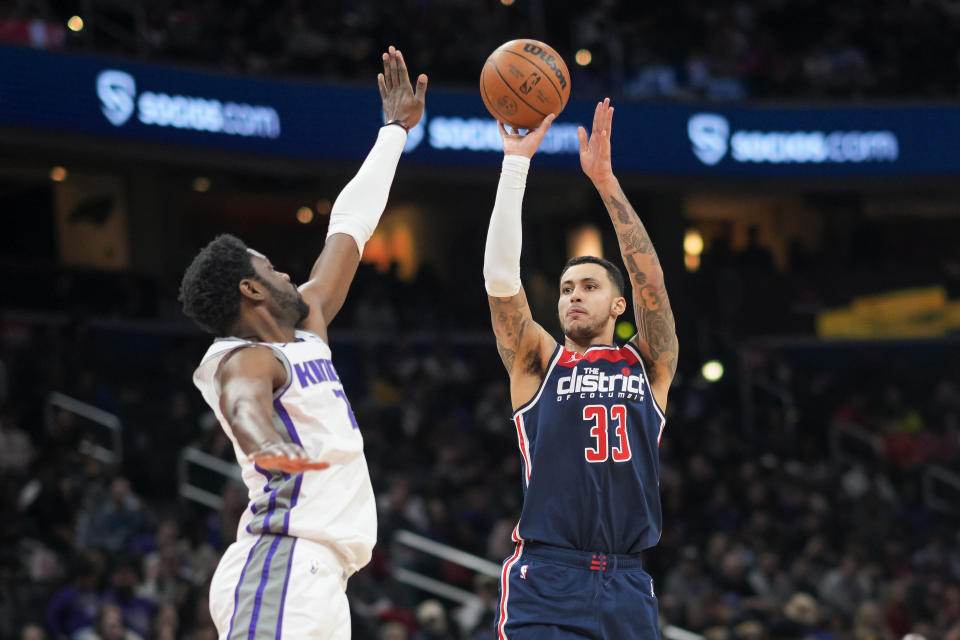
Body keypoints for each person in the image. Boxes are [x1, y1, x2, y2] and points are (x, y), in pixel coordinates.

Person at [178, 45, 427, 640]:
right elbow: (242, 398)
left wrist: (393, 132)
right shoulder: (241, 359)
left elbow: (349, 228)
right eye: (271, 268)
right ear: (250, 289)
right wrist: (262, 437)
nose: (288, 274)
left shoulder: (305, 327)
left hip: (317, 578)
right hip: (282, 564)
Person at [482, 98, 678, 639]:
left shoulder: (648, 362)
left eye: (590, 287)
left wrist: (606, 184)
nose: (573, 296)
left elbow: (652, 285)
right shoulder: (539, 362)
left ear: (619, 306)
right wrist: (515, 165)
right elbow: (501, 281)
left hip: (629, 581)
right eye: (567, 288)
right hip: (547, 576)